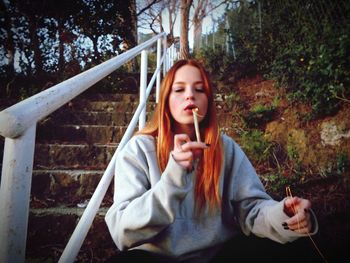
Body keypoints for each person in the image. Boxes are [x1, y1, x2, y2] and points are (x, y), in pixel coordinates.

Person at [105, 59, 319, 263]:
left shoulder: (225, 148)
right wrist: (173, 179)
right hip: (157, 258)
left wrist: (283, 215)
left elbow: (251, 209)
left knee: (298, 245)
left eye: (199, 89)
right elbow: (123, 233)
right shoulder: (139, 149)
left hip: (220, 256)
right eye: (179, 89)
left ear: (208, 100)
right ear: (165, 100)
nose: (190, 95)